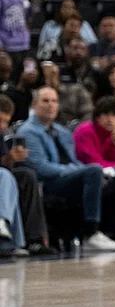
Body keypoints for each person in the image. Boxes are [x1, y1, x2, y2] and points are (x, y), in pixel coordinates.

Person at [18, 87, 115, 251]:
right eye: (45, 101)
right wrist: (76, 170)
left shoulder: (63, 131)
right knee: (94, 170)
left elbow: (76, 161)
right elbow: (41, 168)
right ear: (34, 104)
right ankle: (91, 233)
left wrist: (81, 169)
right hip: (48, 183)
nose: (50, 105)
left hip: (69, 177)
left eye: (54, 101)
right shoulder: (27, 132)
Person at [0, 94, 55, 255]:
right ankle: (3, 222)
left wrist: (10, 159)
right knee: (5, 175)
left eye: (5, 121)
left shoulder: (2, 134)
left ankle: (34, 240)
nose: (2, 125)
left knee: (26, 176)